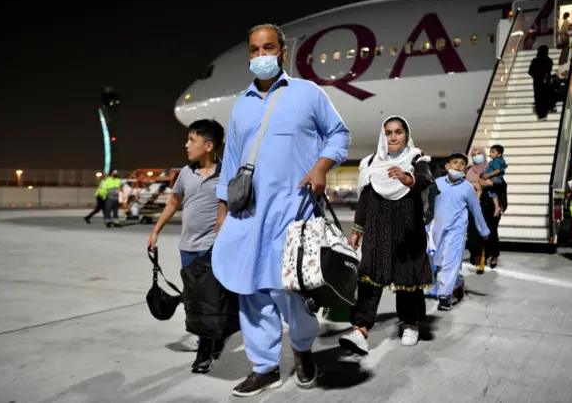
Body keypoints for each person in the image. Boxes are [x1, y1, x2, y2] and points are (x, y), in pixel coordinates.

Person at [213, 23, 350, 397]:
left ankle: (303, 352)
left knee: (293, 290)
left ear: (283, 52)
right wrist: (222, 210)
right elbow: (232, 163)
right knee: (251, 291)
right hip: (248, 216)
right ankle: (264, 367)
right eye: (254, 51)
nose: (261, 56)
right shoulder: (241, 104)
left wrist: (321, 166)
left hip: (295, 212)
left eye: (268, 48)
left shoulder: (308, 94)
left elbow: (339, 134)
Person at [339, 116, 433, 356]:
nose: (393, 137)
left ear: (406, 134)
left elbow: (425, 182)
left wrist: (406, 178)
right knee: (369, 278)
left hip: (406, 231)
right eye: (389, 132)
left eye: (399, 132)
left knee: (407, 279)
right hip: (376, 229)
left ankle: (411, 323)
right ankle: (360, 330)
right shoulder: (371, 162)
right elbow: (365, 199)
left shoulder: (416, 158)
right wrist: (357, 230)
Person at [147, 119, 226, 374]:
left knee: (208, 298)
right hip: (187, 248)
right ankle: (210, 337)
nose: (186, 144)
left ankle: (206, 348)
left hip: (211, 247)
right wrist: (156, 229)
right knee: (194, 298)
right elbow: (173, 202)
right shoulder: (185, 173)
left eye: (192, 140)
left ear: (209, 145)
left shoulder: (226, 174)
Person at [432, 152, 490, 311]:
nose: (458, 165)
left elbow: (475, 210)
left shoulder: (468, 188)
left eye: (462, 164)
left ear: (465, 169)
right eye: (455, 162)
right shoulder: (436, 184)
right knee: (436, 263)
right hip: (436, 230)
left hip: (456, 231)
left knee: (450, 261)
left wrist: (483, 230)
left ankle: (445, 297)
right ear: (447, 166)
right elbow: (428, 207)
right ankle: (457, 282)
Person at [466, 147, 503, 271]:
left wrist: (481, 185)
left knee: (491, 231)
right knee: (474, 232)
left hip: (489, 205)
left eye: (479, 154)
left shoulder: (491, 167)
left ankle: (493, 255)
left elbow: (499, 184)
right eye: (474, 154)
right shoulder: (469, 170)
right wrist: (475, 184)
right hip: (473, 205)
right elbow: (464, 184)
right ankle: (478, 254)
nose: (477, 156)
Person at [479, 145, 507, 217]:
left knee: (486, 187)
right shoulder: (495, 161)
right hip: (494, 178)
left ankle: (496, 206)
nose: (490, 153)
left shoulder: (497, 161)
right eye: (490, 152)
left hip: (496, 178)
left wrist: (488, 175)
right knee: (491, 192)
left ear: (499, 154)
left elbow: (497, 171)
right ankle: (497, 206)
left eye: (493, 152)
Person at [528, 45, 554, 120]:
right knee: (545, 97)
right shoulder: (549, 60)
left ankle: (541, 114)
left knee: (538, 98)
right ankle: (545, 113)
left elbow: (530, 71)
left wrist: (536, 76)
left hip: (537, 82)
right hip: (545, 82)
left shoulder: (535, 60)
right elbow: (549, 70)